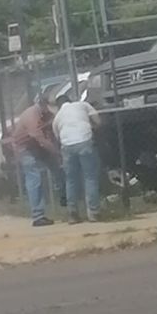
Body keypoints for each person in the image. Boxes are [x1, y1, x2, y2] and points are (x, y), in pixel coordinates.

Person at [11, 95, 61, 227]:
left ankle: (65, 199)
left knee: (57, 169)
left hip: (36, 146)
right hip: (25, 148)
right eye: (48, 107)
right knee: (34, 177)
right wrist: (55, 151)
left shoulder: (45, 114)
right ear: (43, 105)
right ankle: (38, 216)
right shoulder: (32, 115)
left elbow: (51, 129)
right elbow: (37, 136)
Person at [52, 94, 102, 224]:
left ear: (58, 106)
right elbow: (98, 121)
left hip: (67, 145)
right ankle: (93, 213)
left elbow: (57, 136)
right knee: (90, 177)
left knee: (71, 180)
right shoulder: (82, 105)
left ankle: (72, 214)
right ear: (70, 100)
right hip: (84, 140)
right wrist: (92, 128)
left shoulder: (57, 117)